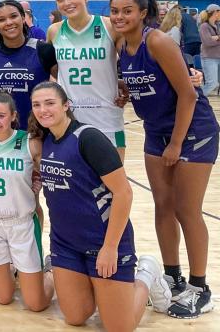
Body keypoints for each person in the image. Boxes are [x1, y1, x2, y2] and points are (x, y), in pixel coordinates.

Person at [111, 0, 219, 318]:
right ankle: (173, 277)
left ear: (143, 13)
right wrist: (127, 93)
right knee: (163, 207)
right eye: (114, 10)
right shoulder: (120, 44)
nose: (119, 16)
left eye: (127, 11)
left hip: (193, 130)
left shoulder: (156, 41)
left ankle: (200, 288)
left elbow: (187, 94)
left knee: (187, 209)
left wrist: (175, 143)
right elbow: (147, 80)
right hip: (155, 130)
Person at [29, 82, 172, 329]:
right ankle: (96, 288)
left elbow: (124, 193)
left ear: (66, 105)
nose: (43, 110)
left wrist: (110, 247)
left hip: (103, 241)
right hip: (65, 243)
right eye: (37, 105)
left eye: (50, 103)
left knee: (119, 327)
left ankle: (147, 274)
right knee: (76, 317)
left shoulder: (88, 138)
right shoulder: (45, 141)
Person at [0, 92, 53, 310]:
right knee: (4, 298)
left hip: (21, 224)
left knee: (36, 304)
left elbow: (46, 172)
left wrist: (38, 183)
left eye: (1, 115)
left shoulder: (30, 142)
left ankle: (51, 272)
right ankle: (16, 270)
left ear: (13, 116)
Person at [48, 0, 126, 155]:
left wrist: (123, 84)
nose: (67, 3)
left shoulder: (108, 26)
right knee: (73, 180)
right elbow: (53, 71)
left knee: (112, 181)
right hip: (68, 118)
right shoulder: (54, 31)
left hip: (106, 116)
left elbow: (134, 62)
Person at [0, 0, 57, 130]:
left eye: (13, 16)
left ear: (23, 18)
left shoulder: (44, 50)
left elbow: (59, 86)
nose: (9, 22)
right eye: (1, 20)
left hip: (37, 132)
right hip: (0, 132)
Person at [198, 4, 220, 96]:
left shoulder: (218, 25)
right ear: (214, 12)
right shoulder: (204, 26)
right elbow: (208, 42)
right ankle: (196, 96)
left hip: (218, 57)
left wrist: (215, 38)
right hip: (209, 58)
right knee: (212, 83)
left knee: (216, 83)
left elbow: (212, 40)